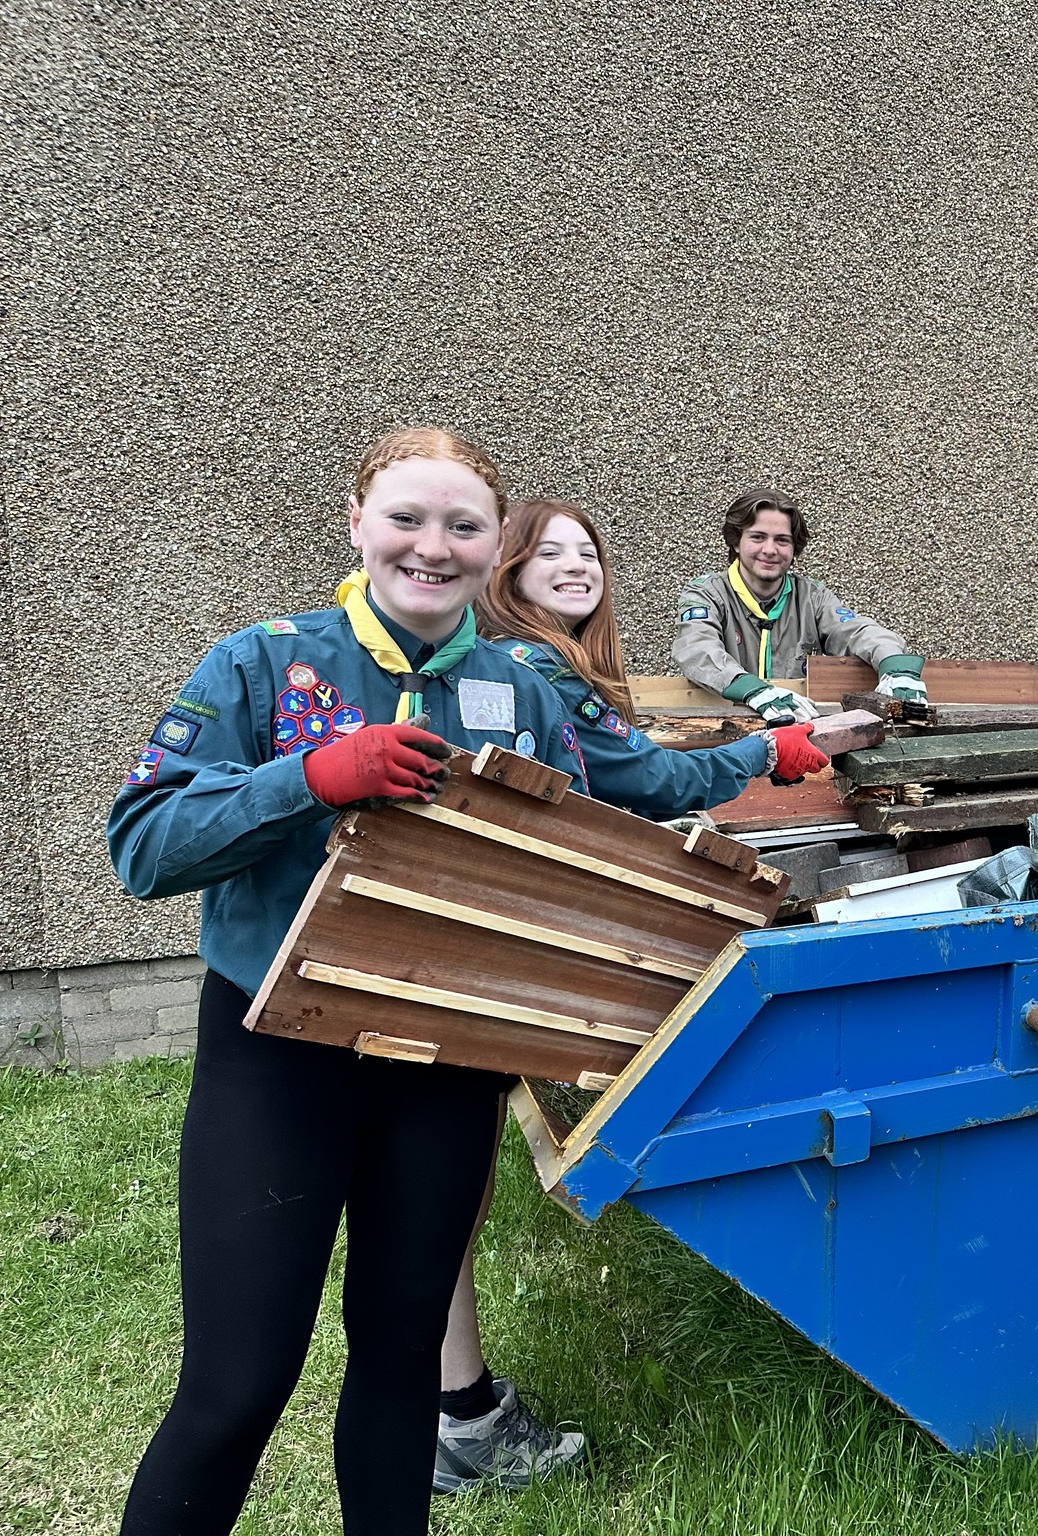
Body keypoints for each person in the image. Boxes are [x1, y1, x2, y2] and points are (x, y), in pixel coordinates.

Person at [106, 427, 585, 1535]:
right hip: (279, 1061)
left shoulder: (525, 685)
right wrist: (309, 777)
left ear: (492, 545)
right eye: (407, 518)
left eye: (463, 526)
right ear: (356, 521)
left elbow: (579, 834)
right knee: (237, 1384)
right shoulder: (262, 663)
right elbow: (144, 848)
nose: (433, 546)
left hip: (445, 1064)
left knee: (401, 1360)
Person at [433, 499, 826, 1495]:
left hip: (484, 939)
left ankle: (450, 1401)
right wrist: (760, 754)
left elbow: (615, 762)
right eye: (549, 553)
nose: (575, 567)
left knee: (448, 1181)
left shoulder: (539, 664)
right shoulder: (533, 668)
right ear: (508, 571)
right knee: (439, 1184)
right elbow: (637, 777)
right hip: (495, 945)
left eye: (588, 552)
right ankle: (454, 1418)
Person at [672, 484, 929, 724]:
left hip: (798, 734)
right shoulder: (707, 593)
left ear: (795, 548)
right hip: (728, 735)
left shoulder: (811, 596)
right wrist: (750, 689)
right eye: (758, 537)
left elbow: (857, 630)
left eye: (782, 540)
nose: (770, 549)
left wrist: (896, 666)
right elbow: (697, 649)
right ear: (736, 541)